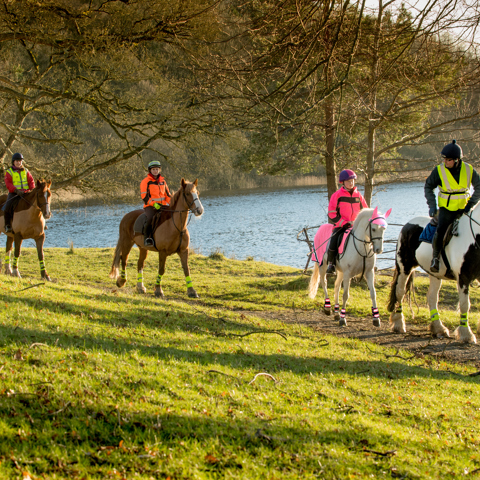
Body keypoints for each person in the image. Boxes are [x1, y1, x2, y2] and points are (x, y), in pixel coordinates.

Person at [425, 139, 480, 272]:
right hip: (447, 209)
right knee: (441, 229)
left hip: (465, 208)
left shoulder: (469, 169)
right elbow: (428, 187)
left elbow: (479, 187)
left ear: (456, 160)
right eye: (444, 159)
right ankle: (435, 259)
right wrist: (432, 205)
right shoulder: (439, 170)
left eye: (448, 159)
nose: (445, 162)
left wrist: (471, 204)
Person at [326, 169, 368, 274]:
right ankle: (331, 264)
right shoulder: (337, 195)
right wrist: (343, 223)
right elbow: (331, 213)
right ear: (343, 182)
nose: (351, 183)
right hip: (341, 226)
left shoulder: (359, 196)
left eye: (353, 180)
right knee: (334, 240)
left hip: (356, 226)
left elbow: (366, 211)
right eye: (349, 181)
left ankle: (368, 262)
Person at [140, 160, 172, 247]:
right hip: (150, 206)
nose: (155, 171)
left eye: (157, 169)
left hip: (163, 205)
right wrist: (154, 204)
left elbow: (168, 195)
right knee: (150, 218)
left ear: (159, 170)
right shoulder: (145, 181)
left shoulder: (163, 182)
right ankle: (147, 238)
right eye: (153, 169)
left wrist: (172, 203)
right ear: (150, 170)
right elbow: (144, 197)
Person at [3, 152, 35, 233]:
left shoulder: (26, 171)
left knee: (38, 204)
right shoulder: (9, 171)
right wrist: (16, 190)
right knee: (7, 207)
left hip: (26, 193)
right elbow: (8, 183)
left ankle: (41, 224)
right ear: (13, 161)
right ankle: (7, 225)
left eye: (20, 161)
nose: (18, 162)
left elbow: (31, 181)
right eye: (17, 161)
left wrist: (32, 190)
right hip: (14, 193)